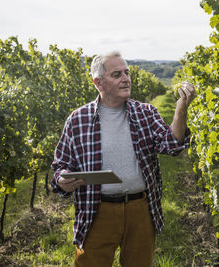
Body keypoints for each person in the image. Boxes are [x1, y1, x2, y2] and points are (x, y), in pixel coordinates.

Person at [51, 51, 196, 267]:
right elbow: (60, 166)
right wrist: (62, 179)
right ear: (98, 82)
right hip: (96, 210)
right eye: (117, 74)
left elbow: (173, 144)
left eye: (127, 73)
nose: (126, 78)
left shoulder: (146, 113)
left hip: (140, 209)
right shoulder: (77, 119)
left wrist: (181, 109)